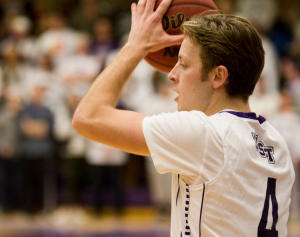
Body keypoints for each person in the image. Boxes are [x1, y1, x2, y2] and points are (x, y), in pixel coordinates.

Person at [72, 1, 294, 236]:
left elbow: (88, 117)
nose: (171, 74)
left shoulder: (205, 135)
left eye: (184, 64)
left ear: (218, 75)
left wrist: (135, 46)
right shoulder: (276, 143)